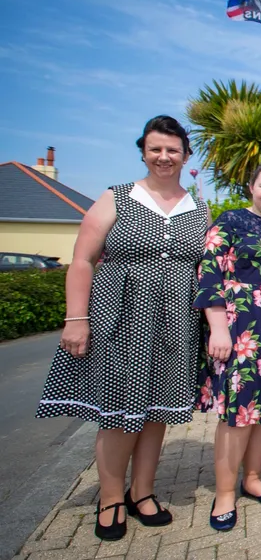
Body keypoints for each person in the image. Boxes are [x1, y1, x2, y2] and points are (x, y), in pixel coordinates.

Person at [36, 115, 209, 541]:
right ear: (144, 152)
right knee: (117, 414)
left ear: (186, 155)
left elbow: (209, 268)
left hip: (176, 321)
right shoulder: (117, 197)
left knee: (156, 413)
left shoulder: (199, 208)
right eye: (155, 149)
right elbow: (81, 260)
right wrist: (76, 319)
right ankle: (111, 497)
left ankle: (142, 492)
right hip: (120, 320)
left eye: (172, 149)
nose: (164, 156)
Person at [194, 156, 261, 532]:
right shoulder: (230, 222)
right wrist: (218, 328)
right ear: (252, 187)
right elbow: (208, 275)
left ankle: (252, 477)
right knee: (237, 412)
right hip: (238, 328)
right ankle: (225, 492)